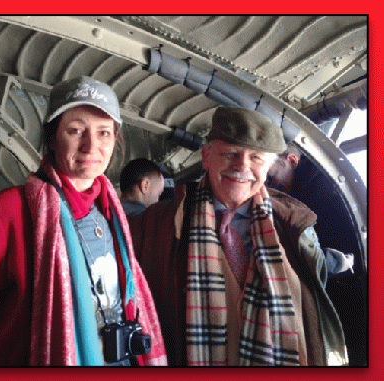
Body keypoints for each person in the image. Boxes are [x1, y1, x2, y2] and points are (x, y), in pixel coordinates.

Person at [0, 76, 167, 366]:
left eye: (104, 132)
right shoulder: (8, 213)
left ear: (116, 140)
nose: (91, 146)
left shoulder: (112, 214)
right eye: (76, 130)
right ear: (52, 139)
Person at [129, 106, 347, 366]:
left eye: (256, 158)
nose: (242, 166)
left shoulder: (296, 227)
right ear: (206, 156)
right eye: (230, 153)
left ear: (267, 167)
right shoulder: (154, 224)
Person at [266, 143, 354, 277]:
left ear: (292, 160)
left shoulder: (324, 189)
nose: (268, 188)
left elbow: (347, 253)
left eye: (270, 178)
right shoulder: (302, 189)